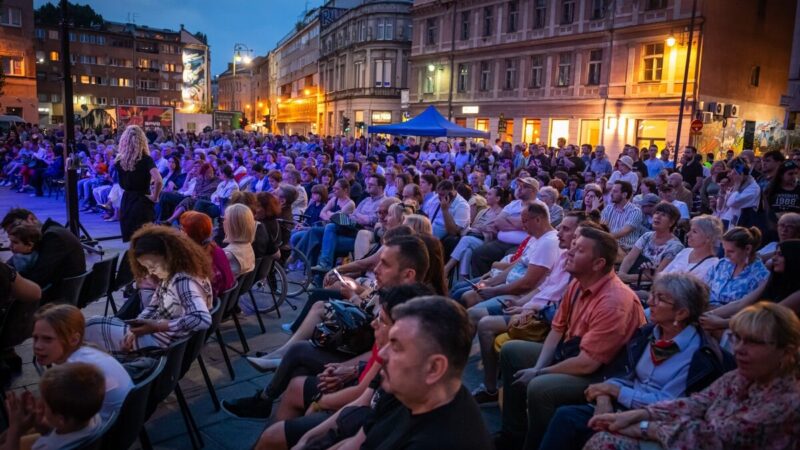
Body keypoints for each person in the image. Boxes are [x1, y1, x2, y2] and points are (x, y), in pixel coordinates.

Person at [221, 235, 431, 419]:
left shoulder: (407, 312)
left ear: (408, 274)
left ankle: (269, 403)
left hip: (361, 376)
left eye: (384, 264)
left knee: (299, 353)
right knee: (300, 367)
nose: (375, 269)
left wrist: (348, 370)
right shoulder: (392, 295)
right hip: (358, 364)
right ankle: (272, 408)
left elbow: (379, 358)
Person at [495, 226, 646, 449]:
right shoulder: (577, 283)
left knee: (540, 387)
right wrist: (538, 365)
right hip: (573, 354)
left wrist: (539, 372)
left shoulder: (614, 301)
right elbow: (557, 330)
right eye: (573, 246)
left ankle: (535, 444)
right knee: (512, 351)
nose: (569, 252)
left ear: (598, 264)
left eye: (580, 250)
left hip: (603, 374)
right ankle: (513, 434)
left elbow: (588, 364)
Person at [541, 272, 730, 450]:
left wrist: (616, 391)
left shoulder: (699, 354)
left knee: (596, 435)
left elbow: (670, 403)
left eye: (660, 299)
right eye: (652, 295)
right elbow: (621, 373)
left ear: (681, 313)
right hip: (621, 406)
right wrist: (604, 397)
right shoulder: (647, 334)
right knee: (566, 417)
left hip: (658, 423)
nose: (651, 302)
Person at [584, 302, 800, 450]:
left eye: (753, 342)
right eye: (737, 339)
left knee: (604, 442)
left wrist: (642, 426)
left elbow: (710, 437)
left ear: (787, 350)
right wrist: (638, 415)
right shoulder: (739, 377)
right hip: (670, 426)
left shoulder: (787, 402)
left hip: (687, 438)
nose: (739, 349)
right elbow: (695, 403)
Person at [254, 283, 435, 450]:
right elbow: (365, 399)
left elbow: (361, 415)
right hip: (356, 405)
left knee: (299, 356)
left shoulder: (409, 402)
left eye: (381, 319)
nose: (374, 323)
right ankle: (267, 399)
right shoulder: (392, 358)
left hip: (354, 411)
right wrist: (306, 439)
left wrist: (320, 403)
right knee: (297, 376)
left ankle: (266, 401)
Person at [339, 296, 492, 450]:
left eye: (397, 347)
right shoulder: (405, 391)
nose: (382, 355)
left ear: (434, 368)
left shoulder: (440, 442)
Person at [471, 211, 592, 405]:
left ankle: (490, 388)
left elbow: (555, 306)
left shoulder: (576, 269)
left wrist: (527, 308)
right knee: (468, 301)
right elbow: (543, 288)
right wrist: (521, 304)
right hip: (532, 307)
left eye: (567, 230)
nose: (559, 232)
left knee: (483, 323)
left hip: (541, 318)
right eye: (560, 227)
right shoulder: (564, 257)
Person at [84, 225, 212, 353]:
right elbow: (153, 306)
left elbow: (202, 318)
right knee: (92, 324)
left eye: (153, 265)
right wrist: (134, 330)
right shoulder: (173, 274)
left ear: (170, 256)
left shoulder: (182, 280)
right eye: (146, 267)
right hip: (160, 339)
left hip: (159, 344)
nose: (150, 271)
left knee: (89, 328)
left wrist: (157, 326)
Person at [32, 304, 133, 423]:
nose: (37, 346)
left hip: (106, 432)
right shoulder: (89, 351)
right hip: (123, 421)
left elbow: (60, 423)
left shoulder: (75, 373)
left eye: (47, 339)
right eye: (35, 338)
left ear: (74, 339)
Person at [701, 239, 800, 332]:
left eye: (780, 255)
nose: (774, 258)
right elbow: (742, 303)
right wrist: (706, 316)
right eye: (775, 254)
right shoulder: (772, 279)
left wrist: (721, 323)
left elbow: (769, 317)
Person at [2, 362, 106, 450]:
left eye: (44, 404)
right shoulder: (93, 418)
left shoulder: (48, 447)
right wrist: (40, 424)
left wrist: (15, 429)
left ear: (61, 419)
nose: (39, 405)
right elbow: (57, 431)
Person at [0, 209, 85, 299]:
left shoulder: (53, 237)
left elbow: (38, 278)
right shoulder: (50, 232)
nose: (18, 234)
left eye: (17, 229)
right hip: (61, 293)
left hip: (61, 297)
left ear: (31, 219)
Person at [471, 177, 542, 275]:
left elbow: (522, 223)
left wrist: (508, 219)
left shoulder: (539, 206)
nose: (520, 188)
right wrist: (518, 223)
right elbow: (498, 222)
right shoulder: (513, 204)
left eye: (524, 186)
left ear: (533, 191)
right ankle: (481, 283)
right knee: (478, 253)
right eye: (519, 186)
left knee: (508, 261)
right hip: (501, 242)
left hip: (522, 245)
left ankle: (496, 286)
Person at [444, 186, 510, 279]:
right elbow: (475, 226)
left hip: (487, 241)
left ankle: (446, 268)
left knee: (466, 240)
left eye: (490, 194)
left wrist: (479, 229)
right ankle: (464, 278)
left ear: (498, 198)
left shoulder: (501, 213)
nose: (486, 196)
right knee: (467, 250)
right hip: (475, 236)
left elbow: (492, 230)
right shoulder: (484, 211)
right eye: (487, 193)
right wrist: (479, 229)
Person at [114, 125, 163, 242]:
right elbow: (159, 180)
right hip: (143, 201)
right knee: (145, 240)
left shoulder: (119, 160)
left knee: (132, 240)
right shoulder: (146, 159)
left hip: (127, 201)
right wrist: (155, 197)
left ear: (124, 141)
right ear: (142, 140)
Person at [618, 202, 684, 284]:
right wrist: (621, 274)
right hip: (631, 278)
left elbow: (657, 274)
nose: (658, 217)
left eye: (663, 215)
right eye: (656, 213)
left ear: (671, 223)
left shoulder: (675, 247)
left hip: (651, 286)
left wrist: (626, 277)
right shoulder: (647, 236)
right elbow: (630, 259)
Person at [704, 226, 770, 308]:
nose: (726, 255)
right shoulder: (721, 264)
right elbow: (703, 288)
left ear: (747, 249)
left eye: (731, 251)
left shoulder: (761, 276)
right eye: (724, 250)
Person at [179, 211, 235, 297]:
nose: (180, 232)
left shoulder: (195, 259)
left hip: (209, 302)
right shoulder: (215, 248)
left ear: (189, 234)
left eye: (182, 229)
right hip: (224, 301)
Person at [662, 214, 722, 279]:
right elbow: (663, 276)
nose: (688, 234)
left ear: (708, 238)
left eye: (694, 232)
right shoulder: (685, 252)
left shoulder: (713, 265)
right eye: (690, 230)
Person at [600, 180, 644, 257]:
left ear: (624, 195)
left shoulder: (635, 211)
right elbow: (602, 227)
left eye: (615, 192)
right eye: (611, 191)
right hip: (608, 244)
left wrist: (604, 238)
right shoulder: (608, 208)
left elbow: (623, 232)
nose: (611, 194)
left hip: (625, 250)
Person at [222, 203, 256, 277]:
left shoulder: (228, 254)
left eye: (225, 219)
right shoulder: (248, 247)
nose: (223, 222)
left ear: (233, 226)